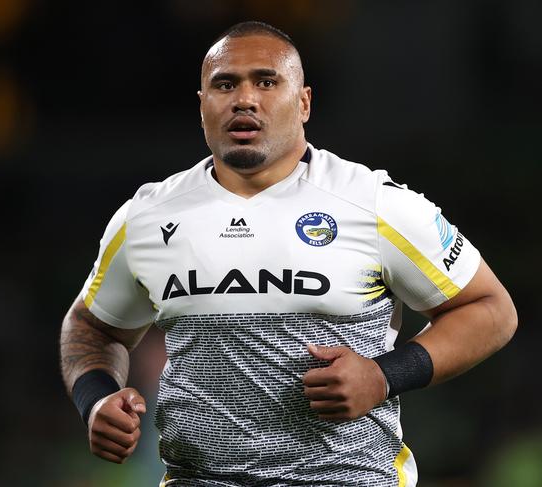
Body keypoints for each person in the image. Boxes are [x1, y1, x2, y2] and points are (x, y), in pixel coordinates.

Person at [59, 21, 517, 487]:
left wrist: (383, 376)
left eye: (266, 81)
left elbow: (491, 310)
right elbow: (90, 327)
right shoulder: (147, 216)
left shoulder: (376, 204)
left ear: (303, 103)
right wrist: (95, 398)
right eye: (224, 84)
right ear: (202, 108)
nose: (244, 99)